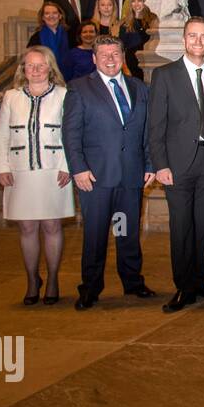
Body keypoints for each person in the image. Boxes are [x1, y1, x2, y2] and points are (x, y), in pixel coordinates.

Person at [62, 36, 155, 310]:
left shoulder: (139, 88)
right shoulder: (79, 89)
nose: (110, 59)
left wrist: (149, 164)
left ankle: (132, 282)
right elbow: (71, 134)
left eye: (115, 53)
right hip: (96, 178)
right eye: (103, 54)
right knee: (96, 234)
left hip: (131, 176)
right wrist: (78, 168)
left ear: (123, 56)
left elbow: (147, 132)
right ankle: (90, 288)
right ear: (94, 58)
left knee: (127, 232)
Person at [147, 18, 204, 314]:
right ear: (184, 40)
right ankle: (183, 286)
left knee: (203, 225)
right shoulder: (165, 75)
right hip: (178, 165)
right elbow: (155, 126)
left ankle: (200, 281)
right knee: (182, 227)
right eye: (192, 36)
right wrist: (160, 164)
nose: (198, 41)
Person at [0, 48, 75, 306]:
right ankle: (31, 279)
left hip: (54, 171)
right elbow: (1, 136)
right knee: (27, 228)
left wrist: (67, 165)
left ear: (50, 68)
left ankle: (52, 279)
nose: (36, 70)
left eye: (41, 65)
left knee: (52, 226)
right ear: (23, 69)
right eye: (30, 66)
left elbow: (71, 135)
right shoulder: (11, 97)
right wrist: (1, 167)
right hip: (20, 171)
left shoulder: (64, 96)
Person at [118, 0, 155, 79]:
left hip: (150, 60)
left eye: (139, 1)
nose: (136, 4)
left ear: (145, 1)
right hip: (132, 63)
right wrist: (124, 67)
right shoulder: (125, 23)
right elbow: (121, 48)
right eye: (133, 1)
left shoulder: (153, 20)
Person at [27, 1, 71, 70]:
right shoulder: (35, 37)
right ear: (43, 17)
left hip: (68, 75)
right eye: (47, 13)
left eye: (55, 13)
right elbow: (29, 59)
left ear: (60, 16)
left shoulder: (70, 34)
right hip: (44, 74)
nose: (51, 16)